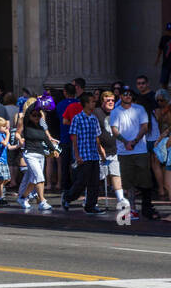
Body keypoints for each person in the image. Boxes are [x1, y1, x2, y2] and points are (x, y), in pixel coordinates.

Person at [109, 86, 156, 220]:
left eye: (130, 94)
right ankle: (132, 209)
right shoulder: (116, 112)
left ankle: (147, 207)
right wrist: (125, 142)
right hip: (124, 152)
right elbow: (114, 129)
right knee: (128, 183)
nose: (127, 96)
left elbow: (144, 127)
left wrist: (134, 142)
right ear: (121, 97)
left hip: (140, 149)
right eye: (125, 94)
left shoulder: (139, 109)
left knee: (145, 180)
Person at [63, 92, 104, 215]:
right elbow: (74, 137)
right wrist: (77, 155)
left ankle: (90, 205)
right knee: (81, 181)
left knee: (94, 182)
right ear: (86, 103)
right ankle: (68, 196)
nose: (93, 103)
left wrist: (100, 152)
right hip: (83, 154)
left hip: (93, 154)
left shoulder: (94, 119)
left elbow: (97, 138)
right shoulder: (77, 118)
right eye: (91, 101)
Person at [95, 91, 129, 218]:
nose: (110, 102)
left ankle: (120, 199)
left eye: (112, 100)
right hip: (99, 151)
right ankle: (90, 199)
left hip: (114, 150)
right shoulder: (97, 113)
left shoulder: (117, 113)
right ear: (102, 101)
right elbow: (95, 133)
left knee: (115, 174)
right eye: (107, 100)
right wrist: (100, 148)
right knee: (97, 177)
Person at [17, 104, 56, 212]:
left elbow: (46, 140)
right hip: (30, 154)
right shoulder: (27, 124)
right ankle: (42, 201)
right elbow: (29, 111)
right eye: (34, 115)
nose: (36, 117)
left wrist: (54, 150)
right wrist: (37, 103)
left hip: (40, 155)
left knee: (34, 180)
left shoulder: (41, 127)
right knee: (40, 177)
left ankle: (22, 197)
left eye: (38, 115)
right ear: (29, 116)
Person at [158, 22, 171, 89]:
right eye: (168, 31)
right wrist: (157, 59)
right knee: (164, 81)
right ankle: (164, 95)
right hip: (166, 64)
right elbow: (160, 49)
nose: (170, 32)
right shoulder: (164, 38)